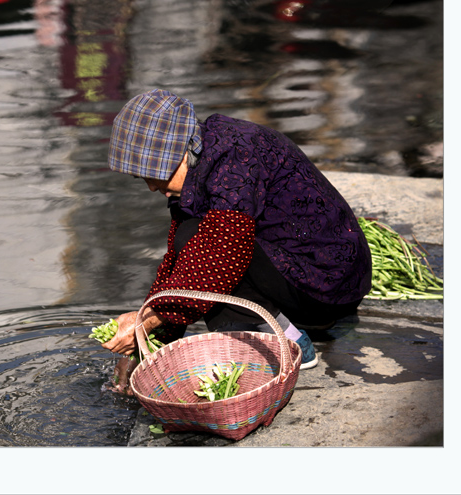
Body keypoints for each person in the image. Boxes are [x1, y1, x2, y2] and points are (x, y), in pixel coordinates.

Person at [101, 89, 372, 394]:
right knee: (191, 238)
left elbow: (219, 257)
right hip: (300, 275)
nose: (152, 187)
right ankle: (293, 324)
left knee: (207, 249)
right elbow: (179, 261)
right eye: (143, 178)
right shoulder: (201, 156)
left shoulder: (236, 157)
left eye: (155, 174)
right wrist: (151, 337)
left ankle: (286, 343)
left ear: (183, 152)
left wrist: (149, 320)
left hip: (330, 281)